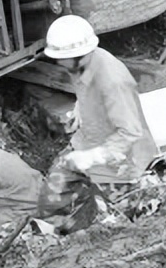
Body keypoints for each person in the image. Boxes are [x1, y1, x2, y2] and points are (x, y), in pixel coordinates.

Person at [36, 15, 157, 231]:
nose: (58, 63)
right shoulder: (79, 65)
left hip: (120, 159)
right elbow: (87, 90)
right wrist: (80, 108)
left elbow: (130, 132)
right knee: (51, 197)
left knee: (129, 220)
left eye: (61, 59)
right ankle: (62, 235)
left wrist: (92, 157)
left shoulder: (113, 80)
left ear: (79, 55)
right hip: (86, 141)